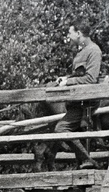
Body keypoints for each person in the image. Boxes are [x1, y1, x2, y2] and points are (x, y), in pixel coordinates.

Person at [35, 19, 103, 170]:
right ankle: (85, 162)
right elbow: (79, 74)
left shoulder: (94, 50)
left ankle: (88, 161)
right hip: (76, 102)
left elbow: (91, 78)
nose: (68, 36)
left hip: (86, 102)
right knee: (65, 130)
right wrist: (66, 78)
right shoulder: (81, 52)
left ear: (78, 33)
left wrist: (68, 83)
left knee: (61, 129)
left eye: (69, 33)